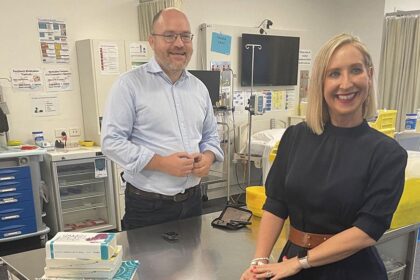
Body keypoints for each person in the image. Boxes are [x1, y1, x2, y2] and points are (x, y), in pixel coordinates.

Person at [241, 33, 407, 280]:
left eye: (355, 70)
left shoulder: (387, 153)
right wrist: (259, 261)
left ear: (369, 76)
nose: (346, 83)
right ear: (320, 82)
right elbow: (276, 204)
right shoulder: (295, 137)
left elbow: (367, 230)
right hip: (290, 263)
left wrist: (301, 262)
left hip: (351, 270)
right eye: (334, 73)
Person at [101, 8, 223, 229]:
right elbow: (111, 143)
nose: (179, 43)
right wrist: (161, 163)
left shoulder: (198, 88)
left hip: (193, 201)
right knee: (148, 264)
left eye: (185, 36)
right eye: (169, 35)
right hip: (148, 207)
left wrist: (208, 156)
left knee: (193, 264)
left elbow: (210, 135)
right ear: (152, 41)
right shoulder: (129, 85)